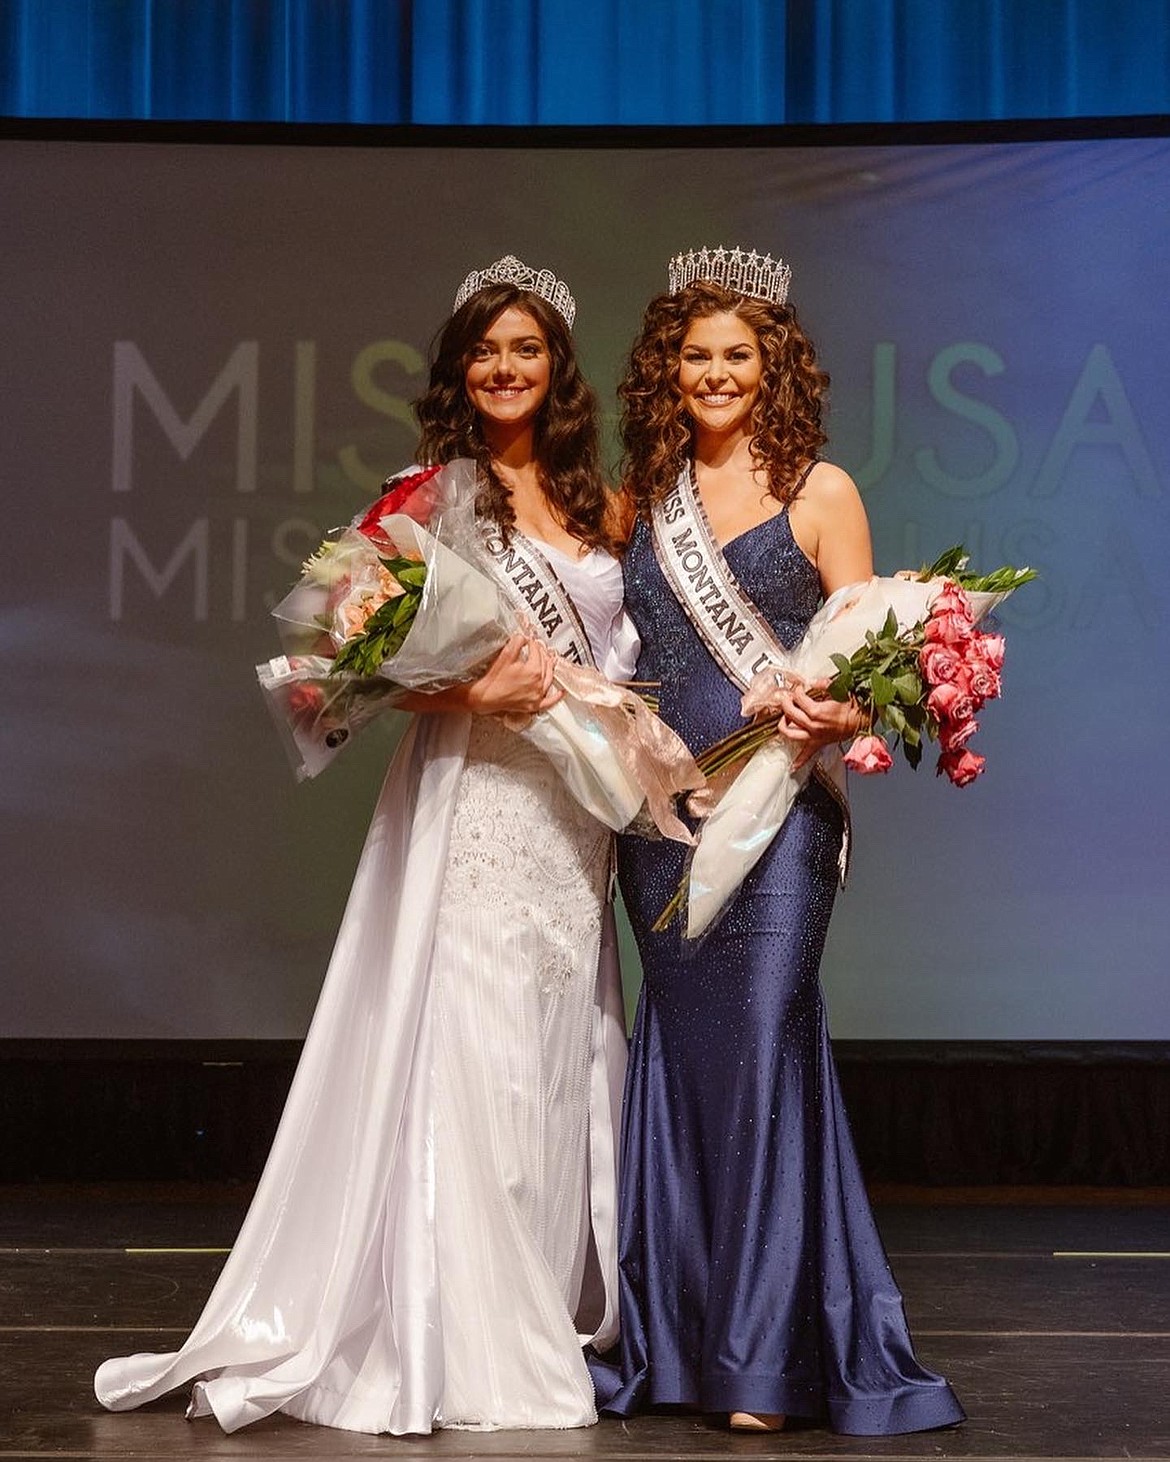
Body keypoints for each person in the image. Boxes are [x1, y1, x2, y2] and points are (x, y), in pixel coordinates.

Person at [95, 256, 636, 1435]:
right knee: (475, 1049)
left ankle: (534, 1301)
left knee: (552, 1056)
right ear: (459, 369)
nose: (506, 368)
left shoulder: (603, 506)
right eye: (486, 350)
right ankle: (454, 1331)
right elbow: (347, 676)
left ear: (557, 370)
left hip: (573, 828)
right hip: (476, 802)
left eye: (527, 349)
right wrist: (472, 701)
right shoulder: (420, 498)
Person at [592, 248, 965, 1435]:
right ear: (669, 366)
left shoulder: (822, 490)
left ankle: (759, 1357)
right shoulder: (637, 499)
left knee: (760, 1045)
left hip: (781, 827)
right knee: (686, 1065)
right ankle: (677, 1344)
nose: (714, 374)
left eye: (736, 355)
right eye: (695, 356)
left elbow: (872, 673)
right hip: (666, 823)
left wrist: (825, 706)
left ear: (774, 365)